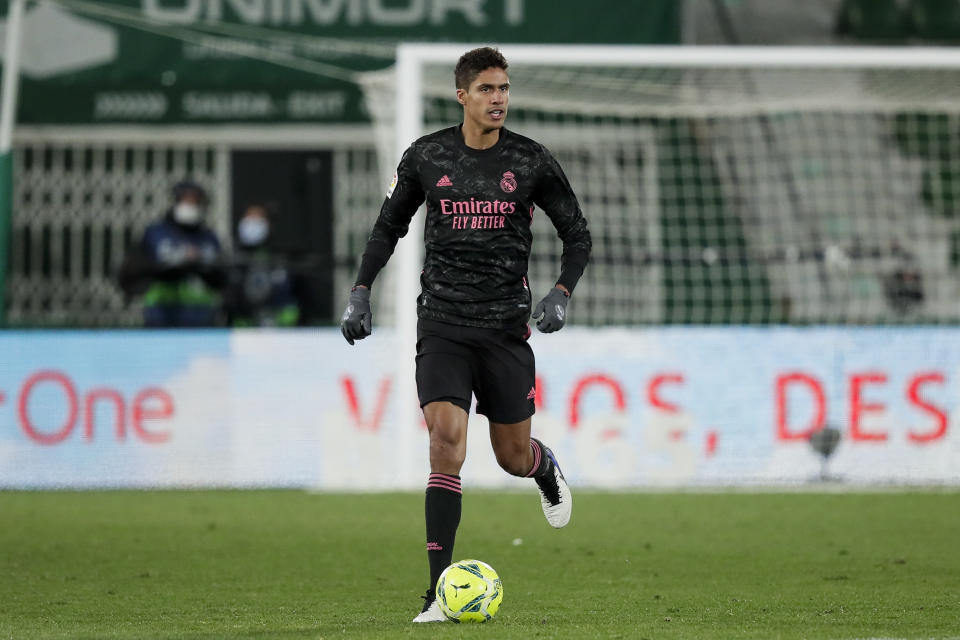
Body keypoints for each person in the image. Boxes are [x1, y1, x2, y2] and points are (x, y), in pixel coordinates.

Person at [340, 47, 591, 623]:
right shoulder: (428, 156)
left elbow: (578, 235)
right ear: (462, 96)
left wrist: (561, 293)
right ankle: (435, 596)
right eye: (486, 89)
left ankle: (542, 467)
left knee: (509, 457)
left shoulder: (530, 161)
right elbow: (387, 229)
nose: (498, 98)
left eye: (503, 88)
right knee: (445, 440)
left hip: (506, 327)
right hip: (444, 324)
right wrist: (360, 291)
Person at [118, 179, 226, 327]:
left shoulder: (208, 237)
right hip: (162, 313)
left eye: (194, 201)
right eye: (185, 200)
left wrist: (200, 264)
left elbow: (220, 274)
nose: (189, 205)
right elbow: (138, 267)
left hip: (200, 314)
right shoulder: (156, 233)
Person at [224, 203, 300, 327]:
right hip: (242, 326)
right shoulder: (233, 258)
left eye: (258, 219)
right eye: (250, 218)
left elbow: (289, 298)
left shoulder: (278, 257)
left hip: (278, 327)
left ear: (268, 225)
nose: (253, 223)